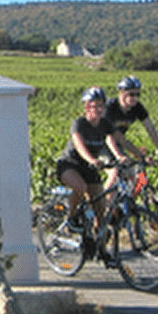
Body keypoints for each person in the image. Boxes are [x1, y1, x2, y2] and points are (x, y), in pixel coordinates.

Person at [55, 87, 131, 234]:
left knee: (100, 209)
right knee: (81, 187)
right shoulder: (79, 123)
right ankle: (71, 218)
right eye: (94, 106)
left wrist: (133, 156)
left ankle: (97, 242)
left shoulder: (105, 124)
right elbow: (79, 145)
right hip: (70, 165)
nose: (98, 109)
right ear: (86, 107)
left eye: (101, 105)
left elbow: (121, 140)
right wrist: (93, 160)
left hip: (89, 169)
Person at [106, 76, 158, 163]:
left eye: (137, 94)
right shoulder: (109, 107)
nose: (135, 98)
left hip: (118, 143)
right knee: (113, 168)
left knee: (131, 168)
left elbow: (151, 129)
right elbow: (108, 136)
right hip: (98, 143)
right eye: (131, 94)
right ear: (121, 93)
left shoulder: (137, 107)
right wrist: (119, 156)